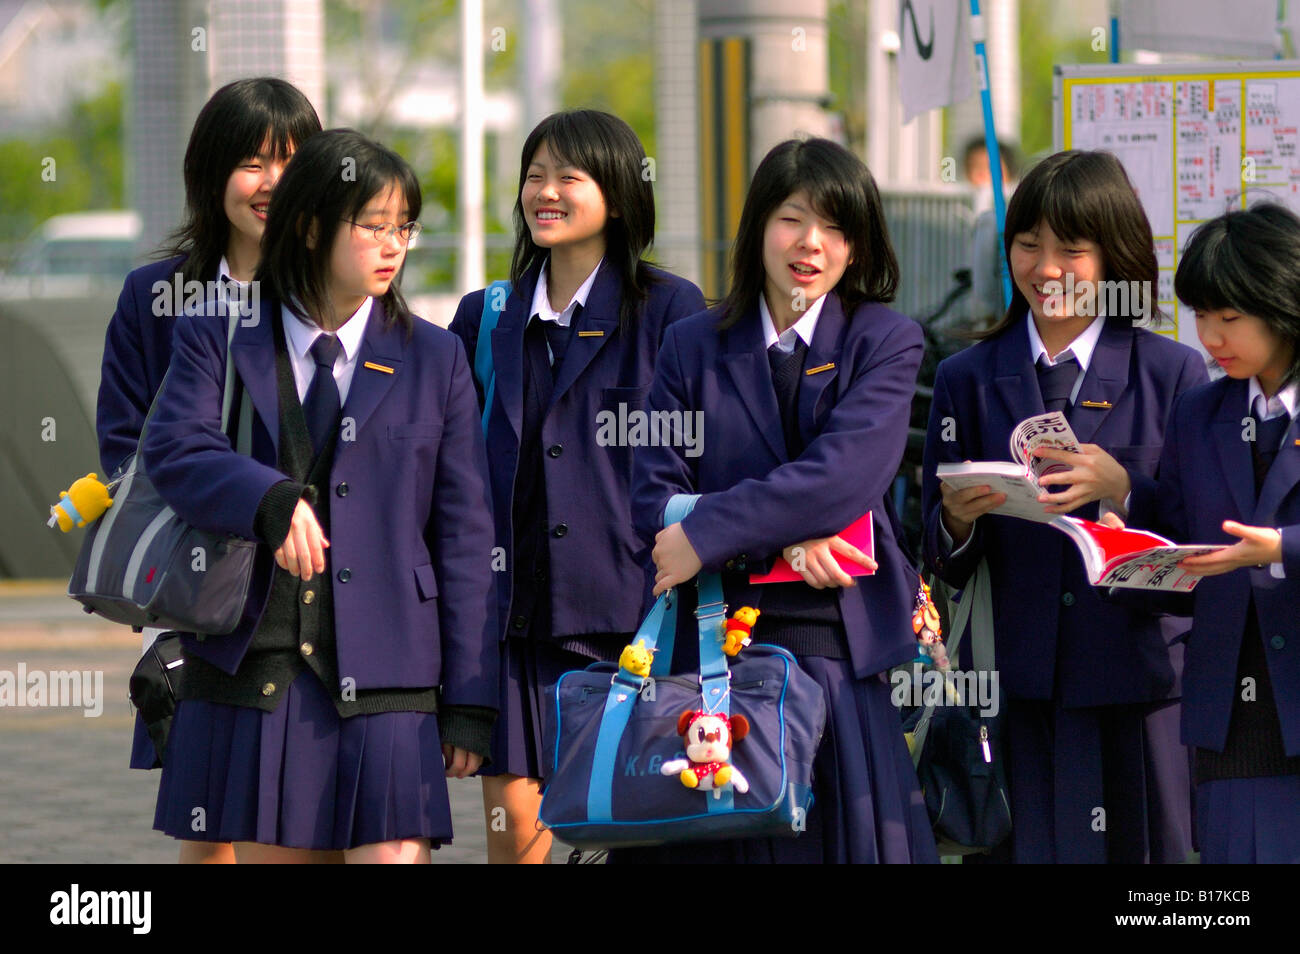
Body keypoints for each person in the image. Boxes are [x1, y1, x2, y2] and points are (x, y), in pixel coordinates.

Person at [142, 129, 498, 863]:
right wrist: (267, 499)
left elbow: (465, 535)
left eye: (404, 227)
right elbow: (176, 448)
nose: (393, 246)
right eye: (373, 225)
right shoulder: (220, 329)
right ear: (309, 227)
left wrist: (469, 698)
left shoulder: (435, 357)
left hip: (391, 670)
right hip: (257, 664)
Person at [614, 137, 937, 863]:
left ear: (858, 245)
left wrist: (711, 533)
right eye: (792, 218)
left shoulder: (885, 341)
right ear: (759, 224)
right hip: (707, 648)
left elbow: (842, 477)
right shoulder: (691, 344)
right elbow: (652, 496)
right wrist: (789, 539)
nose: (811, 243)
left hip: (832, 645)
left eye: (835, 227)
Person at [922, 150, 1208, 863]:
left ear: (1113, 256)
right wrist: (957, 520)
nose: (1046, 268)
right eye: (1028, 245)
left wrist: (1124, 489)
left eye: (1071, 250)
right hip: (1014, 693)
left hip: (1139, 686)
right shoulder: (966, 377)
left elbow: (1203, 540)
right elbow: (930, 549)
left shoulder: (1171, 372)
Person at [448, 109, 705, 863]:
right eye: (535, 176)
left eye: (569, 176)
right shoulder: (487, 316)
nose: (546, 192)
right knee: (515, 838)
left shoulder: (670, 309)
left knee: (640, 834)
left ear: (618, 196)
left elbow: (701, 454)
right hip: (516, 619)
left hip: (636, 618)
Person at [95, 76, 321, 865]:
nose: (272, 183)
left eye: (291, 161)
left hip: (312, 581)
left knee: (295, 815)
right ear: (210, 172)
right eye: (252, 162)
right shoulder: (154, 297)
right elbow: (124, 444)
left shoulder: (334, 289)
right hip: (203, 588)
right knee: (209, 821)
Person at [1109, 204, 1300, 863]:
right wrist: (1123, 536)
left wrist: (1282, 550)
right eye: (1200, 315)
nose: (1211, 336)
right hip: (1231, 719)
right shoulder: (1197, 412)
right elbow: (1180, 536)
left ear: (1282, 305)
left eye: (1230, 316)